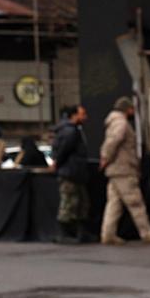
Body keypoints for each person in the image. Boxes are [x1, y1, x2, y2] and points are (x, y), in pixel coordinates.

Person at [99, 96, 150, 244]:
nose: (133, 111)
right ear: (127, 109)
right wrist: (105, 156)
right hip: (124, 169)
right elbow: (114, 140)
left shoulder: (113, 122)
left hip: (115, 170)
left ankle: (108, 234)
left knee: (114, 204)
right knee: (135, 202)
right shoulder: (121, 123)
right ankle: (147, 233)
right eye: (131, 109)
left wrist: (106, 159)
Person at [51, 105, 90, 244]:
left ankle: (78, 233)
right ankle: (64, 234)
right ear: (74, 115)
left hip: (74, 172)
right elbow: (63, 150)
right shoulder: (70, 131)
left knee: (80, 203)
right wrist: (57, 163)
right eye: (82, 114)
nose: (85, 117)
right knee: (69, 203)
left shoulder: (71, 130)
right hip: (71, 172)